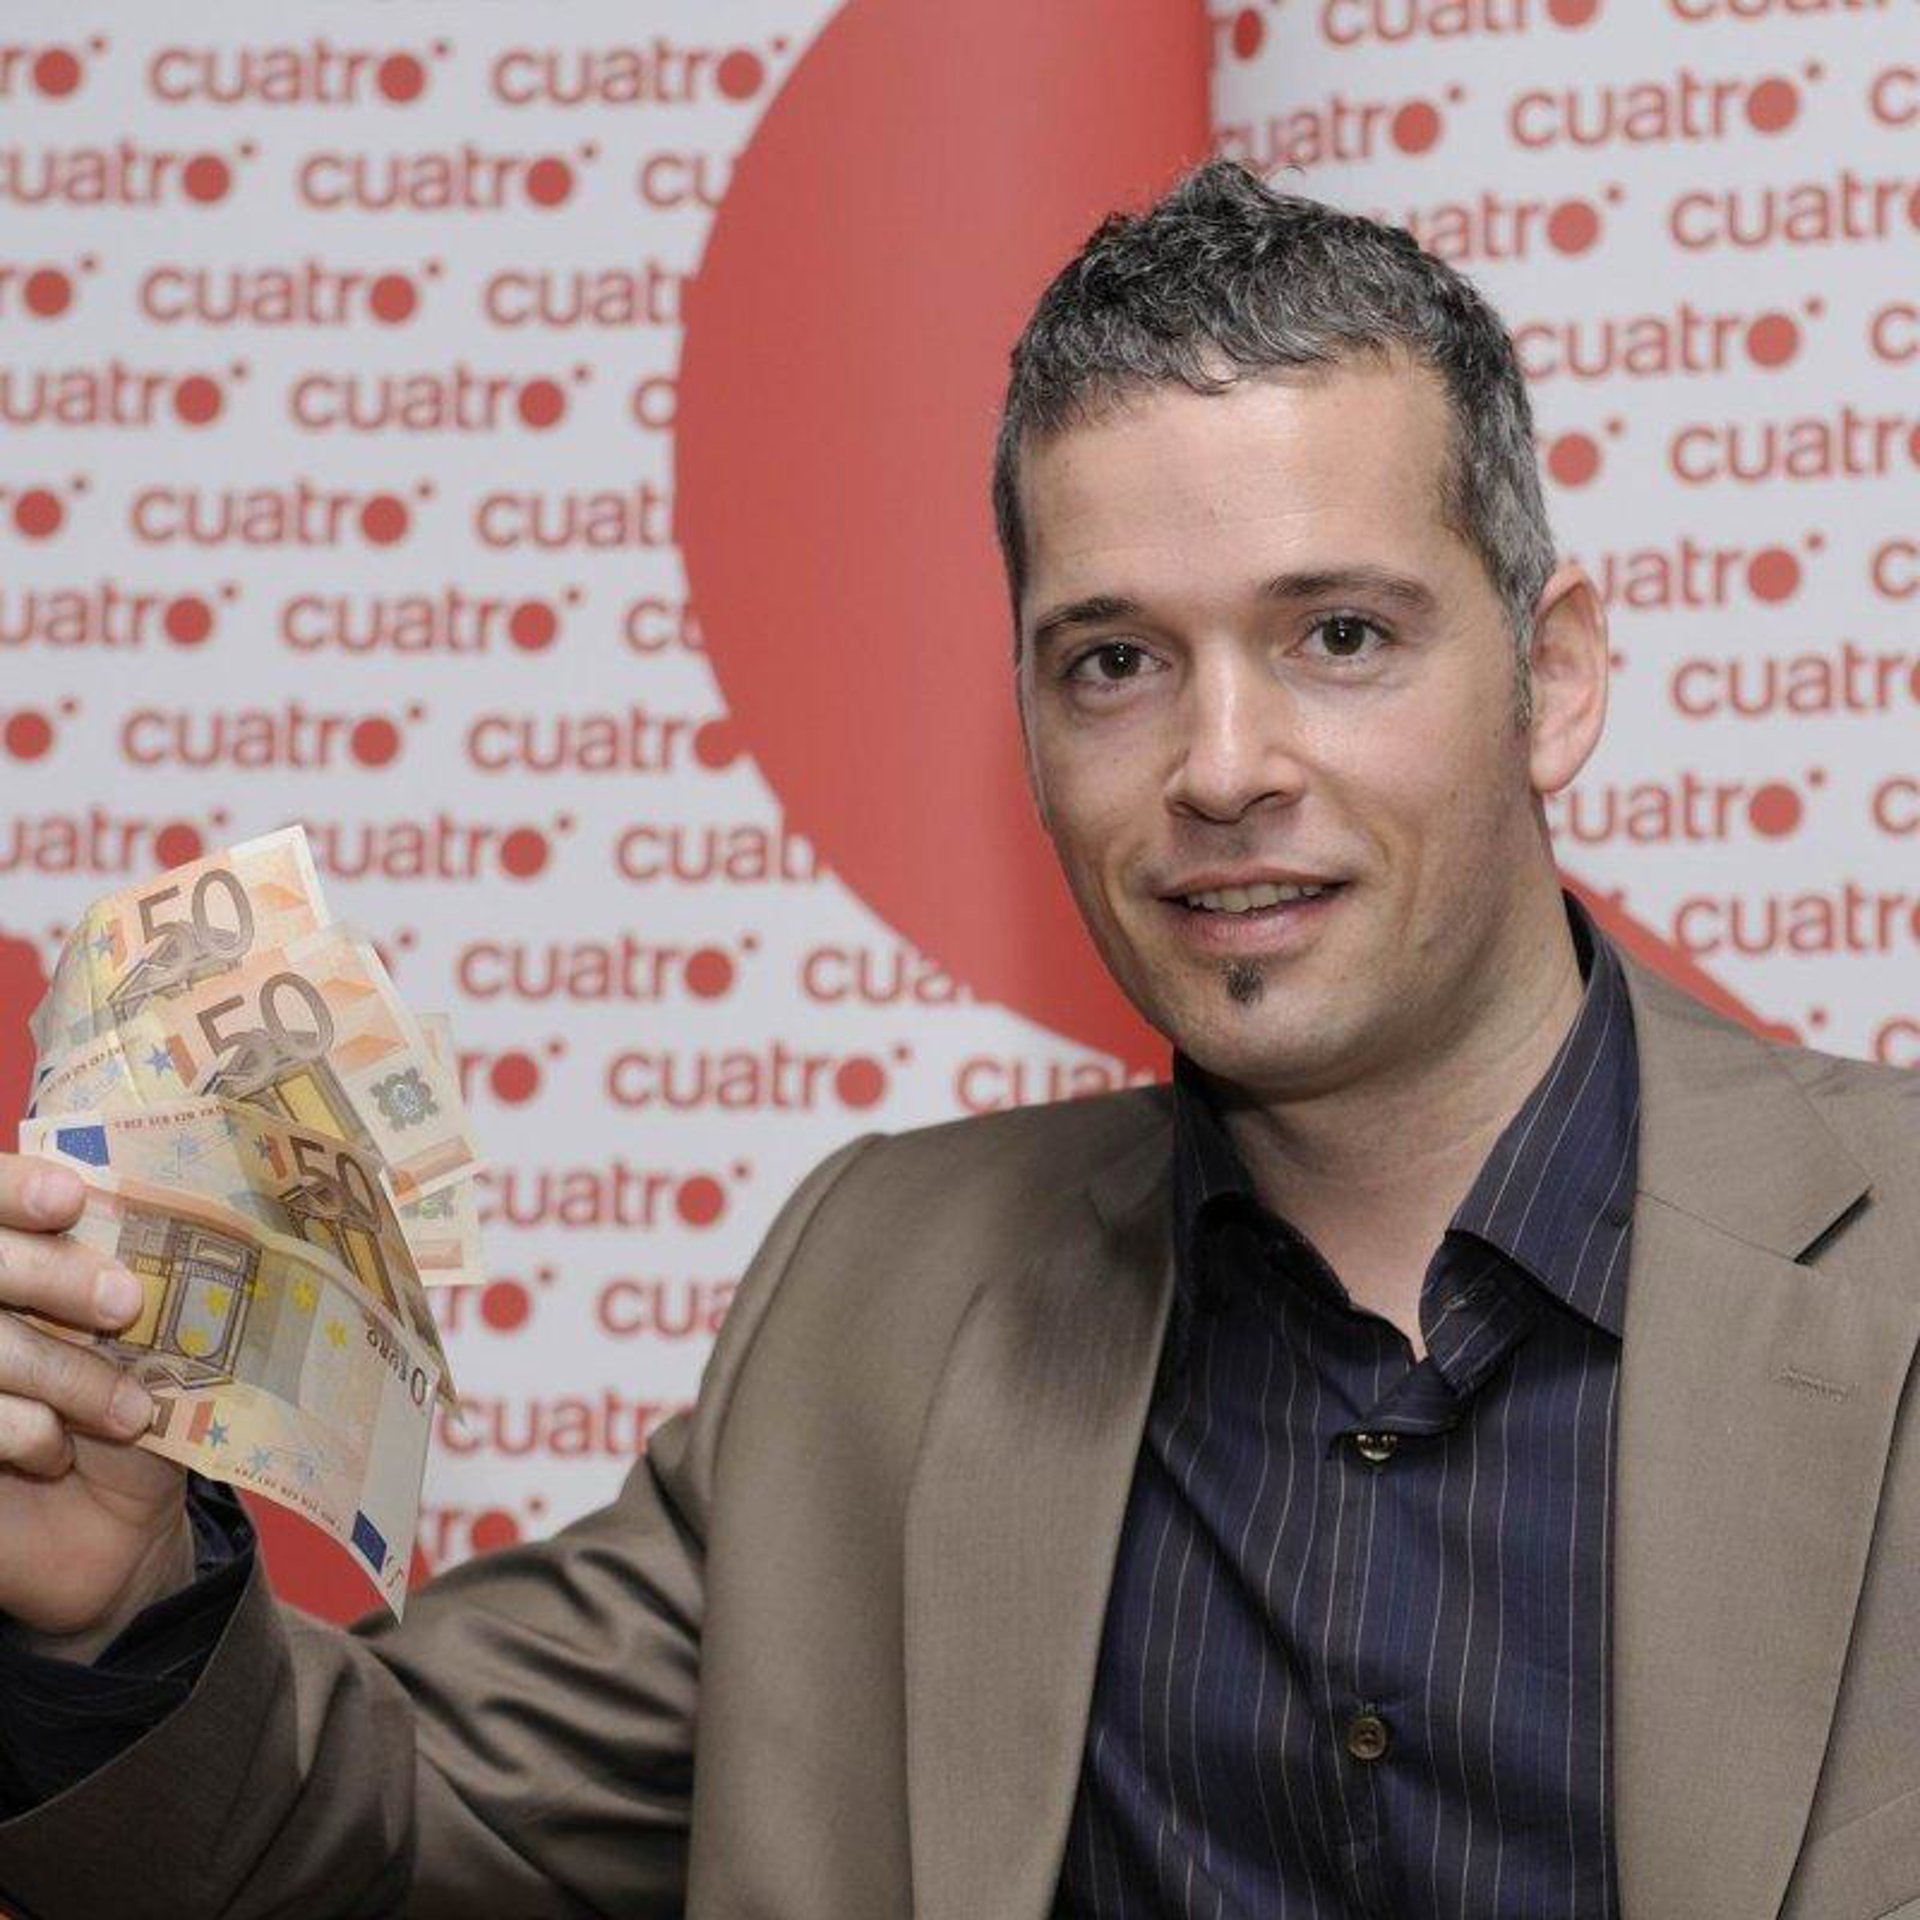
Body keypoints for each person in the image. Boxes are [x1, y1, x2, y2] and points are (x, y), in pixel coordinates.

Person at [0, 160, 1915, 1920]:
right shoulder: (881, 1296)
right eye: (1116, 662)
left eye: (1339, 635)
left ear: (1553, 679)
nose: (1221, 767)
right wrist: (111, 1606)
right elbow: (380, 1832)